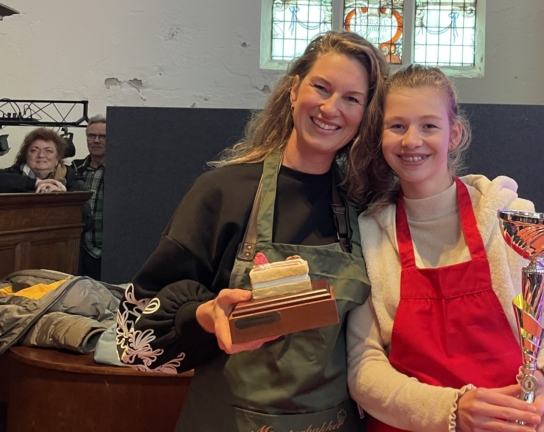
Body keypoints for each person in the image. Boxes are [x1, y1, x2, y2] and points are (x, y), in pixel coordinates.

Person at [114, 31, 388, 432]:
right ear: (294, 91)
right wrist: (206, 316)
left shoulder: (365, 209)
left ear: (365, 113)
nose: (331, 108)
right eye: (321, 88)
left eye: (351, 98)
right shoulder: (224, 193)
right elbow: (133, 330)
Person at [345, 65, 544, 432]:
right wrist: (450, 410)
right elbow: (363, 366)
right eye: (397, 126)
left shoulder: (510, 220)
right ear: (380, 136)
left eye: (429, 126)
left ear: (455, 134)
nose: (411, 140)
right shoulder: (368, 232)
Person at [72, 115, 106, 280]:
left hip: (107, 253)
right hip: (78, 251)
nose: (96, 140)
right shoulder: (74, 169)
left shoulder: (123, 172)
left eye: (103, 136)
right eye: (91, 136)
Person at [0, 127, 85, 193]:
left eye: (48, 151)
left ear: (58, 157)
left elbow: (83, 214)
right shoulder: (10, 175)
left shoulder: (74, 182)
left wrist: (61, 196)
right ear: (26, 155)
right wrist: (35, 183)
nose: (41, 155)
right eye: (34, 150)